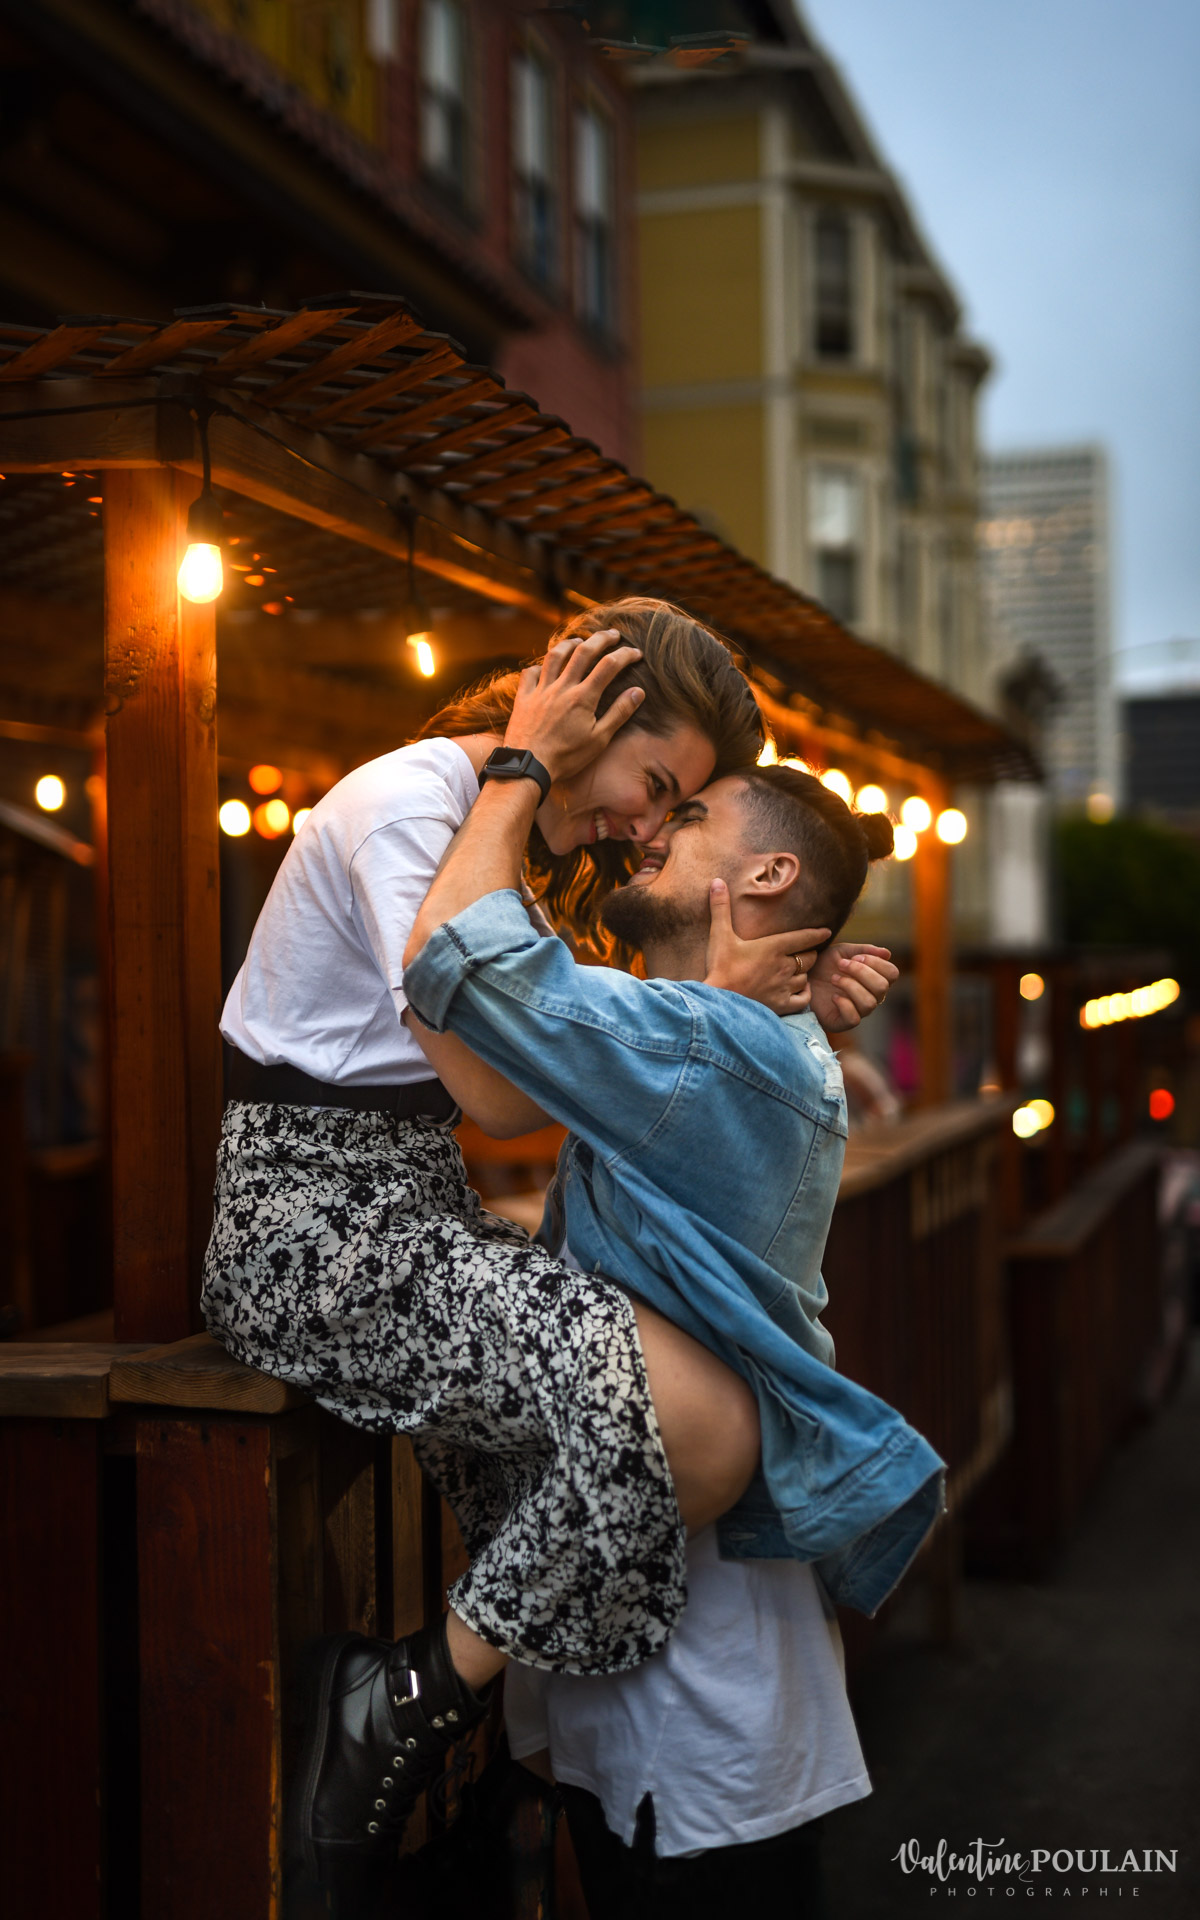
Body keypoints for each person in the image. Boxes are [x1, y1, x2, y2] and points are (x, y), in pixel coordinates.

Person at [202, 603, 846, 1913]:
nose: (651, 828)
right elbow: (496, 1090)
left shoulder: (516, 849)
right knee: (698, 1434)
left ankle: (494, 1771)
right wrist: (523, 764)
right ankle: (396, 1714)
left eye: (679, 814)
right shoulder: (414, 801)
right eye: (656, 786)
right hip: (313, 1234)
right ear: (584, 706)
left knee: (573, 1503)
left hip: (411, 1214)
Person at [386, 651, 945, 1906]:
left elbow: (463, 964)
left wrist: (521, 761)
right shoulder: (731, 1039)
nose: (645, 828)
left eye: (687, 816)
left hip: (698, 1703)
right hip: (683, 1669)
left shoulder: (708, 1050)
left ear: (766, 877)